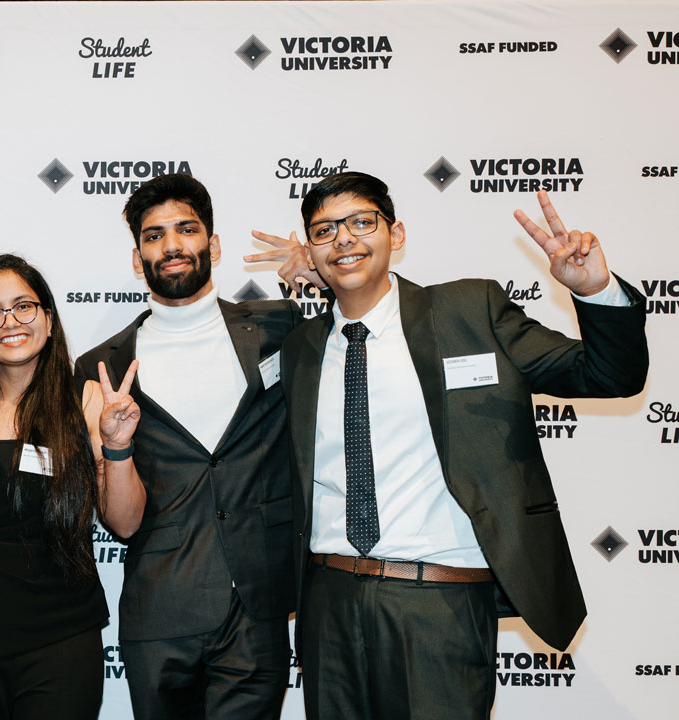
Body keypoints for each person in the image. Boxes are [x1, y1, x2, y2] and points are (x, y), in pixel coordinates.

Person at [275, 171, 648, 719]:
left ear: (395, 234)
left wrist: (594, 291)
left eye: (361, 222)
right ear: (310, 249)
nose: (344, 239)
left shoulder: (468, 312)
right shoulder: (301, 346)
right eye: (324, 231)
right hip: (328, 607)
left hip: (439, 604)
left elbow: (609, 375)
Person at [75, 173, 302, 720]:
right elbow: (119, 521)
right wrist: (116, 447)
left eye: (186, 229)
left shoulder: (282, 330)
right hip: (160, 609)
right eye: (154, 236)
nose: (171, 245)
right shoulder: (100, 369)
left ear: (213, 245)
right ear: (137, 258)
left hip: (259, 606)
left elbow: (374, 333)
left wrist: (326, 275)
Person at [0, 254, 110, 719]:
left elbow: (126, 520)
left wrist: (118, 448)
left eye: (24, 307)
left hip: (62, 637)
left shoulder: (86, 400)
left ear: (48, 319)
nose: (9, 322)